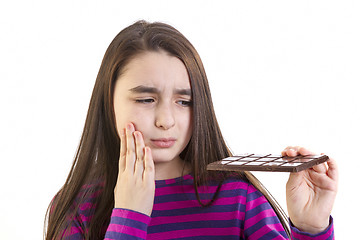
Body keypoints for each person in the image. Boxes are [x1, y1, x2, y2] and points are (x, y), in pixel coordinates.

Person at [45, 20, 338, 240]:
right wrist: (128, 218)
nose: (166, 120)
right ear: (108, 101)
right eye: (146, 99)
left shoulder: (239, 200)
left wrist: (311, 228)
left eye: (184, 101)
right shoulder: (76, 206)